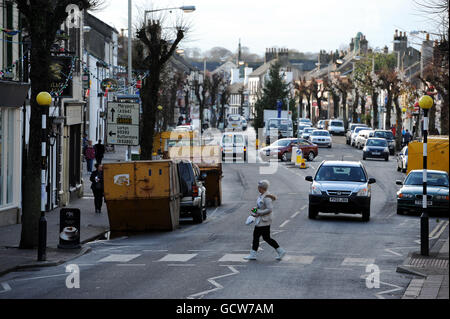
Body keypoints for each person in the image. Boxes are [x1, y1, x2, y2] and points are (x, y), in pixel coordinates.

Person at [244, 180, 286, 261]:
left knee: (256, 237)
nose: (258, 188)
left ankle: (253, 254)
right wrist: (254, 211)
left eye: (259, 187)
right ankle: (280, 251)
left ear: (262, 188)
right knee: (266, 238)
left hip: (264, 221)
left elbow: (270, 209)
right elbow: (259, 207)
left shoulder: (267, 197)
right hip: (262, 220)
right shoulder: (261, 195)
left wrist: (259, 213)